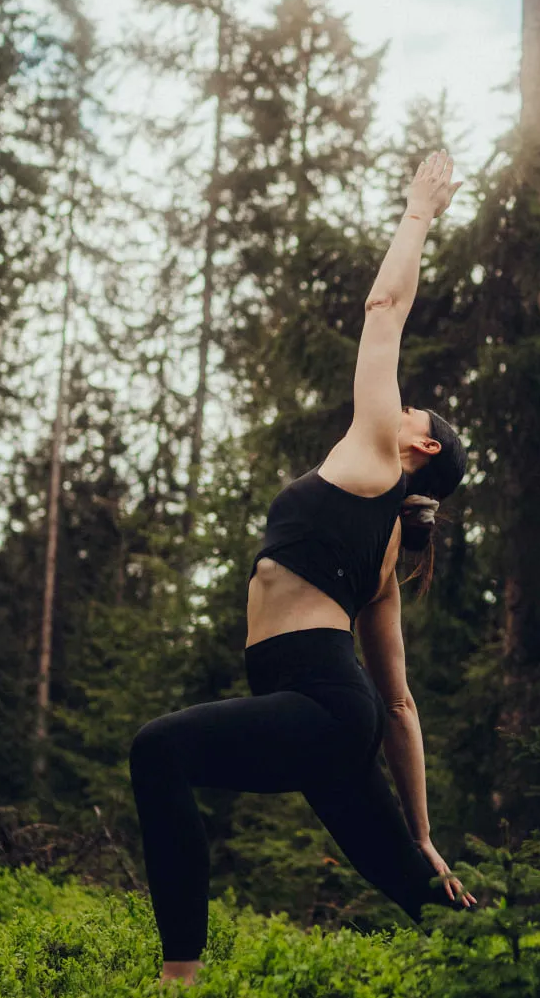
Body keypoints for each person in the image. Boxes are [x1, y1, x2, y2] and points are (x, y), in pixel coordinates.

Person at [130, 151, 477, 989]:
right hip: (332, 715)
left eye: (412, 405)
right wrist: (421, 834)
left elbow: (384, 306)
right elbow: (396, 703)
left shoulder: (373, 456)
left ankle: (180, 977)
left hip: (319, 705)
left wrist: (420, 211)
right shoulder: (387, 546)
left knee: (157, 753)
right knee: (423, 898)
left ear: (419, 445)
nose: (397, 399)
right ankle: (534, 969)